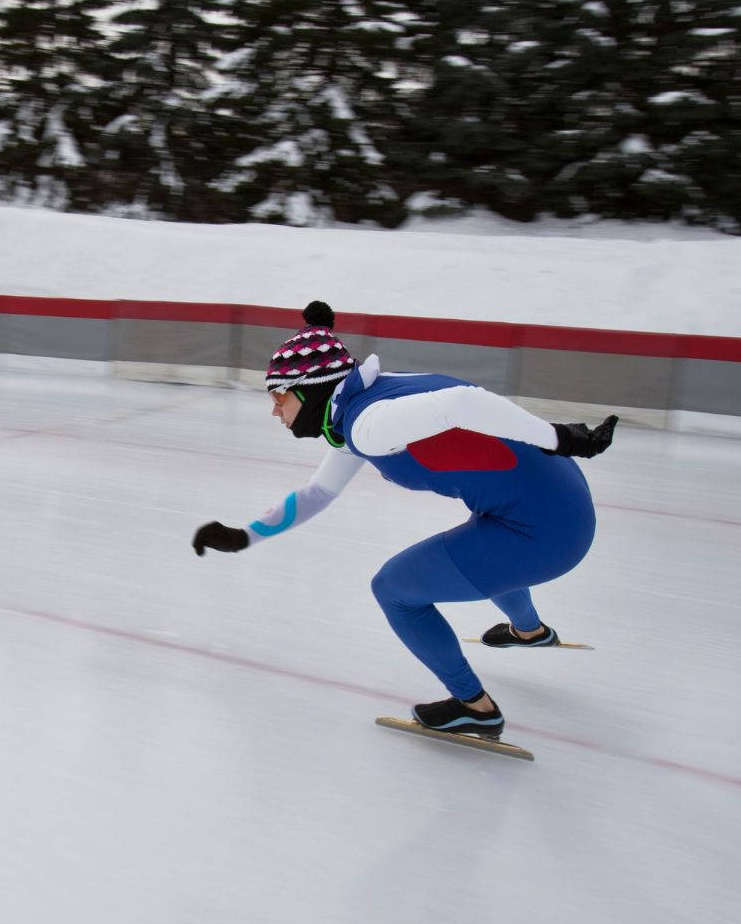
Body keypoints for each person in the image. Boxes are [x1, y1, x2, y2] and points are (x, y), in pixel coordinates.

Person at [191, 301, 617, 741]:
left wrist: (559, 437)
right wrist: (245, 536)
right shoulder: (364, 404)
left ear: (310, 389)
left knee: (394, 590)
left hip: (547, 532)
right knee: (483, 540)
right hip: (556, 504)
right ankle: (529, 631)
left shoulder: (368, 425)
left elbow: (463, 402)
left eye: (279, 397)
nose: (275, 411)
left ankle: (476, 708)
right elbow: (317, 493)